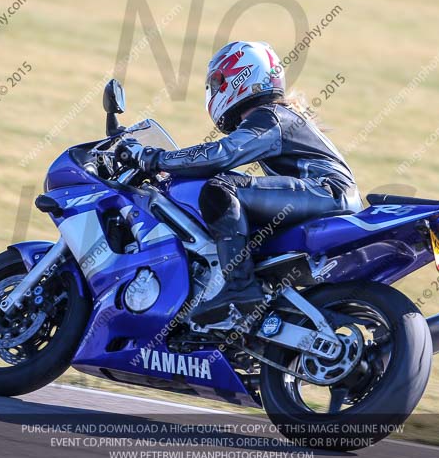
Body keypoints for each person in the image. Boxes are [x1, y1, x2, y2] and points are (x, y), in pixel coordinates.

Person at [115, 41, 362, 324]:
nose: (215, 89)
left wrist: (154, 158)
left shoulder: (270, 116)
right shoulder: (280, 116)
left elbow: (222, 154)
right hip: (330, 195)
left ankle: (240, 289)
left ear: (243, 75)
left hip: (326, 192)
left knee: (221, 188)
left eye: (219, 81)